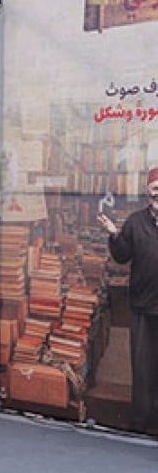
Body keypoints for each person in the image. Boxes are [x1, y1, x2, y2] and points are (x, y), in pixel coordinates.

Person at [98, 166, 158, 433]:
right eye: (155, 190)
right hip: (143, 307)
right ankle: (142, 422)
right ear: (148, 192)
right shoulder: (135, 222)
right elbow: (122, 256)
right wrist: (114, 233)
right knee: (143, 367)